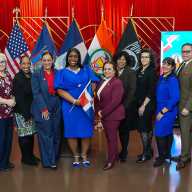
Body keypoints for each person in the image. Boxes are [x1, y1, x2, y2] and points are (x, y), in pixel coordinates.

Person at [54, 48, 98, 168]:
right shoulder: (61, 72)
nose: (73, 59)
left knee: (86, 132)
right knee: (71, 132)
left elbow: (93, 83)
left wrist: (85, 98)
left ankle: (84, 155)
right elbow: (59, 90)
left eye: (75, 56)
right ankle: (76, 156)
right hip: (69, 107)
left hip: (85, 107)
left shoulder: (86, 69)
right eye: (70, 56)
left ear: (79, 58)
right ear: (67, 58)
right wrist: (74, 101)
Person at [31, 51, 61, 169]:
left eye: (49, 60)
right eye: (45, 60)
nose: (47, 62)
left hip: (57, 106)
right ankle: (49, 161)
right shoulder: (36, 75)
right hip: (43, 107)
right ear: (41, 61)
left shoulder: (58, 73)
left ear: (52, 61)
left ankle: (54, 157)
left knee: (56, 133)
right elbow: (36, 93)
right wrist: (43, 108)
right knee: (46, 135)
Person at [95, 61, 125, 170]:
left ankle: (110, 161)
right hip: (105, 114)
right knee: (109, 137)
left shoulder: (117, 82)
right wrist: (98, 110)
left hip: (113, 115)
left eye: (109, 69)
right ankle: (114, 156)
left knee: (111, 138)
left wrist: (102, 113)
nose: (107, 71)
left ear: (114, 71)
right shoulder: (102, 81)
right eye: (105, 69)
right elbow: (98, 98)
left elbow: (116, 101)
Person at [153, 57, 180, 167]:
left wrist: (163, 112)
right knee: (167, 132)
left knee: (159, 132)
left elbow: (175, 98)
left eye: (168, 65)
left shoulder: (172, 79)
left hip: (168, 110)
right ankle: (167, 154)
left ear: (172, 67)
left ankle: (161, 157)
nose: (164, 66)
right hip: (159, 108)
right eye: (164, 64)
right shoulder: (162, 77)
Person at [13, 56, 39, 166]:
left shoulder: (32, 76)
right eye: (24, 64)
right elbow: (19, 98)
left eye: (28, 63)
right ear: (20, 65)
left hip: (31, 110)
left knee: (31, 134)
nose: (26, 66)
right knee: (24, 136)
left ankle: (31, 155)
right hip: (22, 112)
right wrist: (26, 114)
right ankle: (25, 158)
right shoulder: (17, 78)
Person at [134, 48, 157, 163]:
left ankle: (146, 153)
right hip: (139, 103)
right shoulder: (139, 70)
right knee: (145, 128)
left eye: (146, 57)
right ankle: (149, 150)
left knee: (144, 128)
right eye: (142, 57)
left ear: (150, 59)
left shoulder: (152, 72)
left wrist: (143, 106)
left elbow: (151, 91)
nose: (144, 59)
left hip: (148, 104)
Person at [114, 51, 136, 162]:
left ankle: (124, 151)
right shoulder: (112, 71)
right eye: (119, 58)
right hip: (112, 107)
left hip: (124, 107)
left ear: (127, 61)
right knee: (113, 130)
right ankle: (113, 151)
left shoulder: (131, 73)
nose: (121, 61)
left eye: (124, 59)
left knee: (123, 131)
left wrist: (124, 106)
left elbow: (132, 91)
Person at [175, 43, 192, 170]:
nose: (185, 53)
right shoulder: (182, 64)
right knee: (185, 132)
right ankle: (185, 154)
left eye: (188, 51)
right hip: (180, 104)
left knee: (185, 132)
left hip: (187, 106)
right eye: (183, 51)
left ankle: (184, 157)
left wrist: (188, 107)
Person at [0, 53, 16, 171]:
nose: (2, 64)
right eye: (0, 62)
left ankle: (5, 161)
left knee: (9, 139)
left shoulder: (8, 76)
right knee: (1, 139)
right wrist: (7, 101)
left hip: (9, 114)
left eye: (4, 62)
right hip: (0, 115)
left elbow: (11, 91)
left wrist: (13, 99)